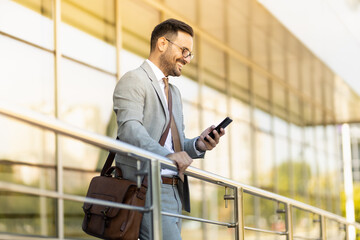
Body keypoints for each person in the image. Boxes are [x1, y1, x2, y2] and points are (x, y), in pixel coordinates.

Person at [113, 18, 225, 240]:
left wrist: (197, 145)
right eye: (184, 50)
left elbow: (175, 143)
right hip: (147, 187)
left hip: (175, 190)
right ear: (162, 44)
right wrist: (168, 156)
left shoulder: (173, 92)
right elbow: (130, 131)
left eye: (190, 53)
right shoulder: (134, 80)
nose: (187, 59)